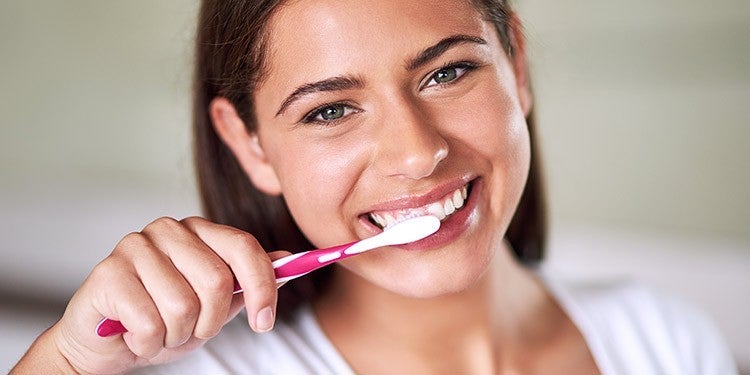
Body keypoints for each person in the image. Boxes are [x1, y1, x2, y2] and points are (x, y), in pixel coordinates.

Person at [12, 0, 737, 373]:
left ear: (516, 64)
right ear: (249, 144)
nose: (418, 153)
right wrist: (68, 362)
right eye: (330, 110)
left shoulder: (666, 341)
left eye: (448, 72)